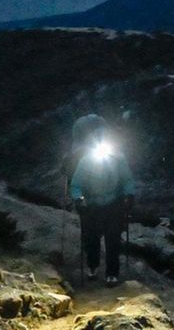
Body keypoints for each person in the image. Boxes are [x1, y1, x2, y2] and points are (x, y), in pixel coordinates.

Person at [67, 115, 136, 286]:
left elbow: (127, 179)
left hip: (113, 203)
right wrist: (79, 198)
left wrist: (128, 194)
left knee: (113, 238)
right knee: (92, 238)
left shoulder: (118, 159)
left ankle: (112, 272)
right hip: (92, 204)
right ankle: (93, 265)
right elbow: (76, 184)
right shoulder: (85, 161)